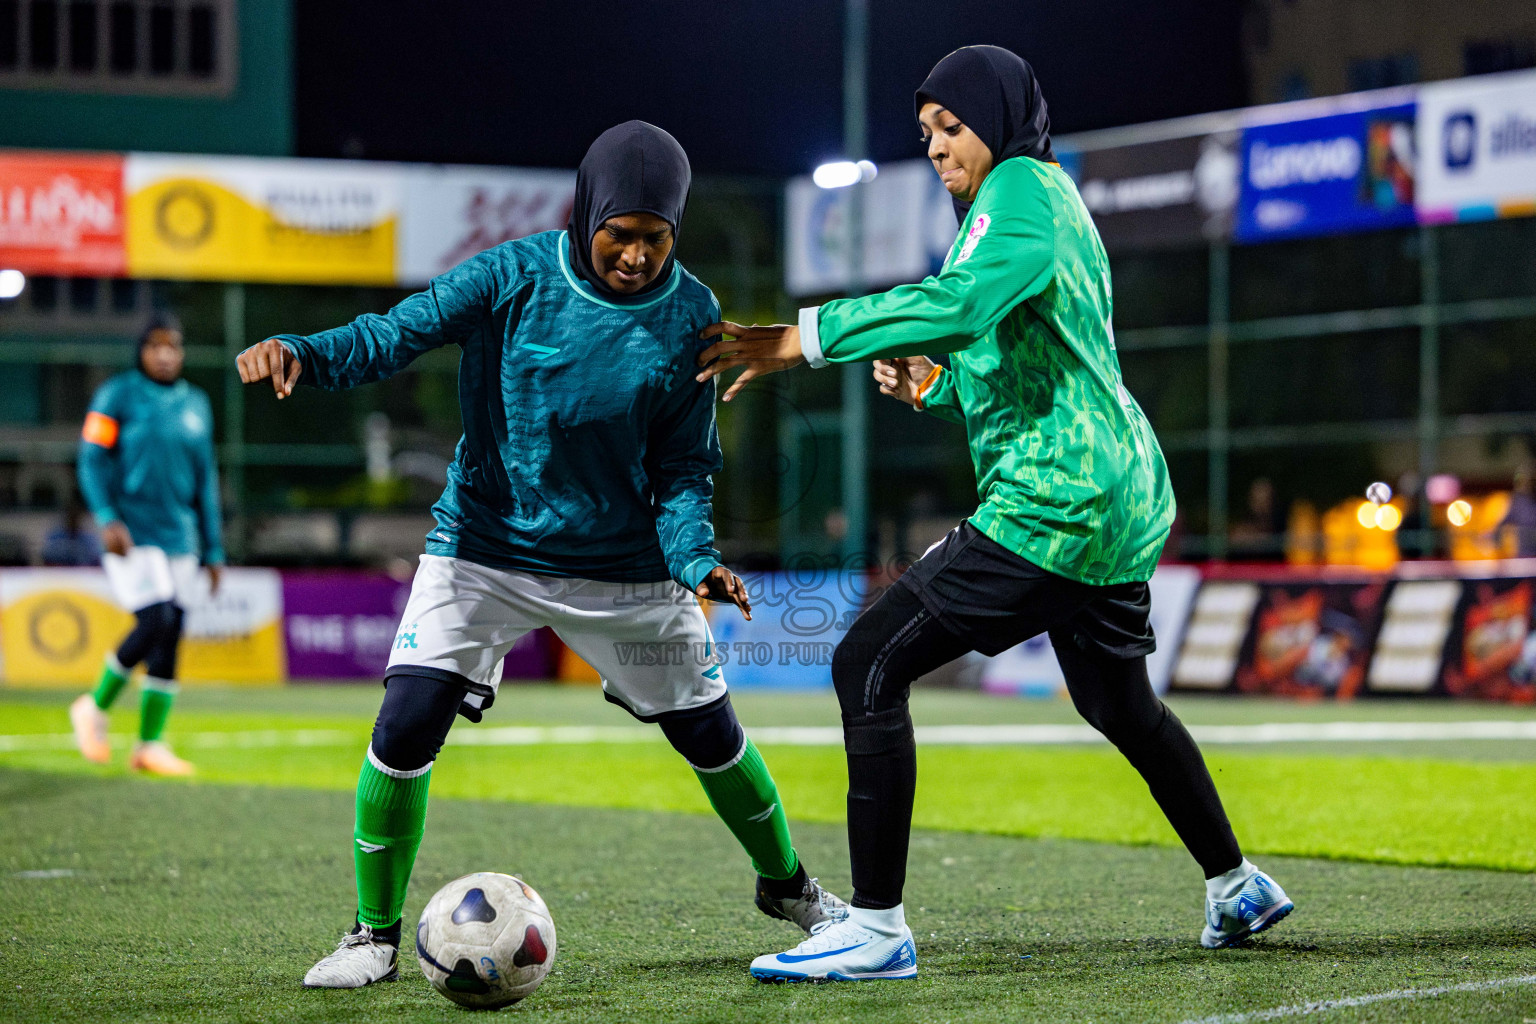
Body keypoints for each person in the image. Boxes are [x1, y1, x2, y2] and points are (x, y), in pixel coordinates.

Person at [696, 46, 1293, 982]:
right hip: (1119, 496)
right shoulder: (1030, 204)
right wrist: (934, 386)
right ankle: (1235, 884)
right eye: (925, 134)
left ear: (1001, 121)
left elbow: (966, 305)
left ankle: (880, 928)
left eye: (950, 126)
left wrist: (799, 338)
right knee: (1117, 701)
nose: (935, 148)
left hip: (1056, 501)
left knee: (865, 661)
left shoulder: (1019, 184)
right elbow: (1029, 348)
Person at [237, 121, 847, 990]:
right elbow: (394, 333)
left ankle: (787, 888)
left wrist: (695, 557)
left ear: (677, 232)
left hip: (627, 565)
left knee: (711, 735)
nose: (636, 255)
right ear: (586, 212)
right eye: (620, 233)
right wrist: (304, 350)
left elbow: (681, 469)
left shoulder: (692, 315)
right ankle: (373, 935)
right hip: (483, 546)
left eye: (655, 237)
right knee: (404, 728)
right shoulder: (509, 276)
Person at [69, 313, 224, 777]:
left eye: (173, 346)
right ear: (141, 351)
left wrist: (214, 549)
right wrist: (106, 517)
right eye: (154, 346)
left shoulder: (196, 403)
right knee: (155, 617)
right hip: (132, 534)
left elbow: (206, 481)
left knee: (172, 628)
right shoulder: (116, 394)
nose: (164, 354)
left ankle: (149, 746)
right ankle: (92, 707)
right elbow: (91, 461)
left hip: (182, 537)